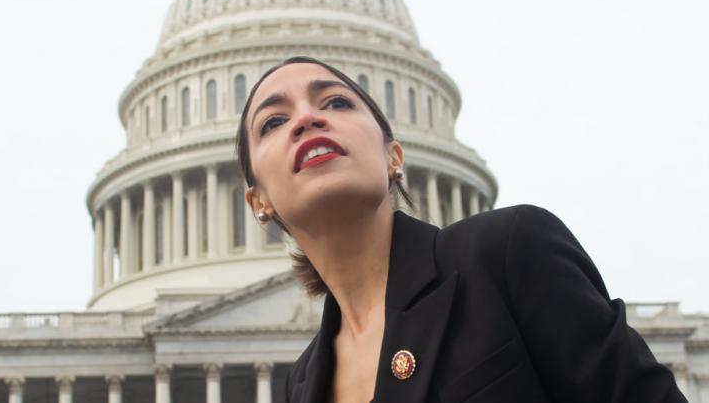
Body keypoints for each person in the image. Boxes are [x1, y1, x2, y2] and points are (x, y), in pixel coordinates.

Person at [235, 56, 686, 403]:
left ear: (394, 157)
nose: (306, 119)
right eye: (273, 122)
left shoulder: (509, 251)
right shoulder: (302, 380)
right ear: (260, 201)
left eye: (336, 101)